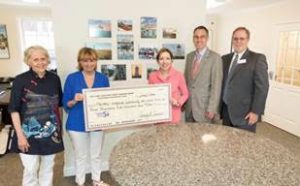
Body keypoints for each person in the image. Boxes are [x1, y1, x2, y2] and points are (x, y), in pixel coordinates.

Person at [8, 45, 64, 186]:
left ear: (48, 60)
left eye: (43, 58)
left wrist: (59, 128)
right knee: (30, 169)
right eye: (35, 59)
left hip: (50, 132)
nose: (40, 62)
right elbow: (14, 110)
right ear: (28, 62)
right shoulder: (20, 80)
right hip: (27, 134)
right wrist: (20, 136)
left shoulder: (54, 79)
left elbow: (58, 105)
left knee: (48, 167)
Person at [63, 47, 109, 186]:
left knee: (96, 154)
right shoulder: (72, 78)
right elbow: (66, 104)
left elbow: (107, 101)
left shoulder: (103, 78)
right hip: (77, 123)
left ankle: (96, 180)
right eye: (85, 61)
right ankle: (80, 182)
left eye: (92, 60)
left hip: (97, 122)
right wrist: (74, 100)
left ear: (96, 61)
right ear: (80, 62)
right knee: (80, 156)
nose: (89, 64)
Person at [221, 27, 269, 132]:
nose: (238, 41)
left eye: (242, 39)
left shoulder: (257, 59)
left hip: (245, 114)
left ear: (247, 40)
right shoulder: (225, 59)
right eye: (235, 38)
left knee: (244, 145)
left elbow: (262, 88)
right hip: (226, 111)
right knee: (226, 142)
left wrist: (256, 112)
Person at [184, 26, 223, 123]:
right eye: (196, 37)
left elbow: (216, 86)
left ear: (207, 38)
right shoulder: (189, 56)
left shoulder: (215, 58)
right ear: (193, 39)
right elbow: (186, 81)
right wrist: (184, 102)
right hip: (190, 108)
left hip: (205, 109)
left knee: (204, 137)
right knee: (189, 136)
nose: (199, 39)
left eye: (202, 37)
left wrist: (212, 108)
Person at [148, 48, 189, 124]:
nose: (164, 62)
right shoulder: (152, 76)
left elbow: (185, 94)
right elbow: (150, 95)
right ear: (157, 61)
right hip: (158, 116)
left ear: (171, 61)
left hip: (174, 116)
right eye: (161, 59)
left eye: (167, 58)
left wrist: (178, 102)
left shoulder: (179, 75)